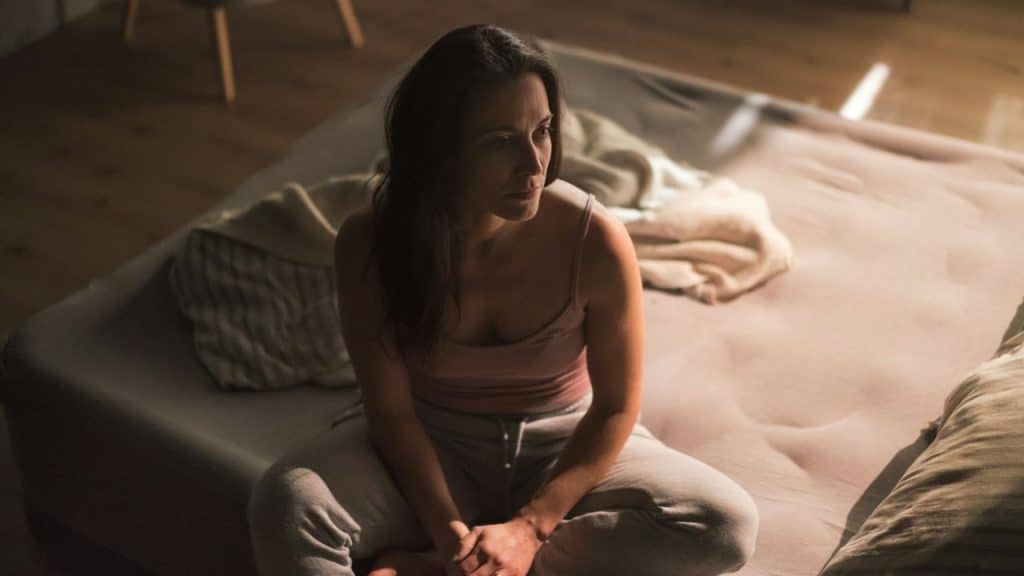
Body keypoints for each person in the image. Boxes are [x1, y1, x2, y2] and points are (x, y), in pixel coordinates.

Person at [247, 24, 759, 576]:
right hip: (428, 441)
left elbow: (614, 406)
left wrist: (530, 531)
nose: (534, 163)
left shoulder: (595, 239)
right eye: (500, 141)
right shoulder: (371, 242)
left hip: (562, 440)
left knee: (722, 525)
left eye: (542, 131)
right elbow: (391, 413)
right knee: (287, 503)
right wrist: (450, 540)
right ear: (440, 150)